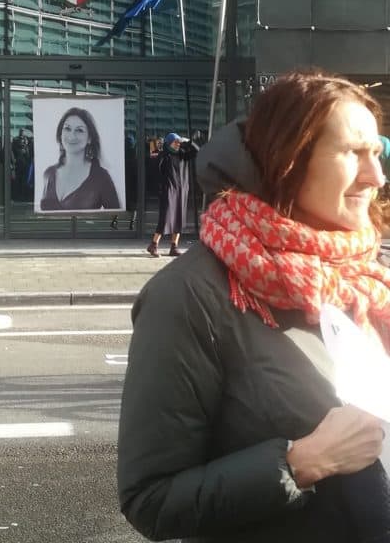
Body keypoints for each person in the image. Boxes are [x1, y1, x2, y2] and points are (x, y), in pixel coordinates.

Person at [118, 70, 390, 543]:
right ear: (288, 160)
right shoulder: (189, 296)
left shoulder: (362, 274)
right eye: (353, 153)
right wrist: (300, 463)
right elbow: (151, 499)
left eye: (378, 152)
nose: (377, 176)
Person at [40, 107, 120, 211]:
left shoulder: (101, 177)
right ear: (60, 134)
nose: (72, 136)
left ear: (89, 138)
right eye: (67, 128)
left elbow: (116, 217)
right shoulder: (49, 173)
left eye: (79, 130)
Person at [146, 131, 193, 257]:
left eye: (179, 142)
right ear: (169, 143)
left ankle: (174, 247)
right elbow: (153, 164)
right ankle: (153, 245)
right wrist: (155, 143)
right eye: (175, 142)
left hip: (181, 190)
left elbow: (196, 150)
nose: (178, 144)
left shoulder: (183, 154)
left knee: (179, 218)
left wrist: (188, 142)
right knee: (165, 217)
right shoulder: (164, 155)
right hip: (168, 190)